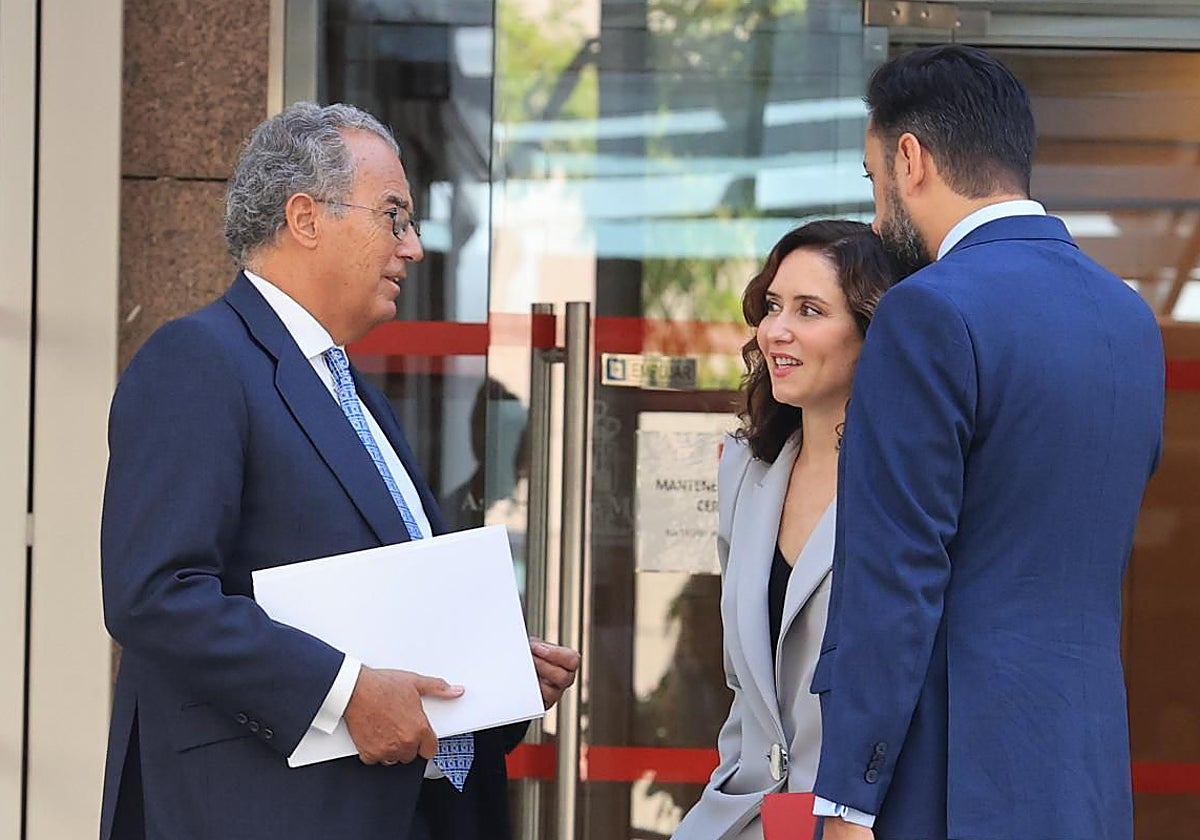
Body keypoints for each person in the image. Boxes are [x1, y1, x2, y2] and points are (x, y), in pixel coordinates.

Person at [99, 101, 580, 840]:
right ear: (305, 218)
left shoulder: (358, 397)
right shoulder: (197, 360)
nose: (413, 247)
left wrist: (492, 675)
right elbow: (156, 594)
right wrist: (344, 693)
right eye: (394, 217)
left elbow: (395, 607)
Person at [811, 45, 1165, 840]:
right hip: (1084, 781)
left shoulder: (927, 311)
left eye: (872, 181)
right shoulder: (1129, 319)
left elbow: (895, 573)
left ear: (910, 160)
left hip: (946, 784)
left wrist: (849, 801)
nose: (876, 220)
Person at [672, 220, 900, 840]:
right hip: (743, 817)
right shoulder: (745, 468)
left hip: (860, 823)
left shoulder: (906, 484)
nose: (775, 330)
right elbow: (744, 690)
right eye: (773, 306)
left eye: (809, 310)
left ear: (872, 330)